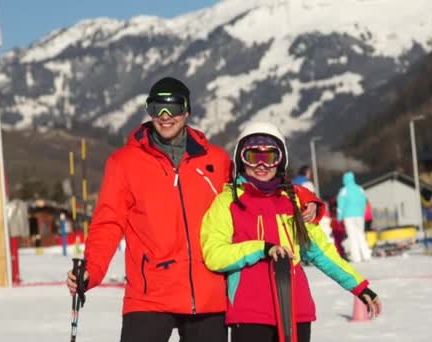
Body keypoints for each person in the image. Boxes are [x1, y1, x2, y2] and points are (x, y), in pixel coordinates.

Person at [65, 77, 322, 342]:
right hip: (149, 293)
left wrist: (306, 199)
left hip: (208, 291)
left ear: (186, 111)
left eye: (173, 108)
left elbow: (258, 185)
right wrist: (92, 270)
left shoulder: (216, 160)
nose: (165, 116)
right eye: (156, 108)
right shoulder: (124, 163)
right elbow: (108, 223)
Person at [200, 122, 381, 342]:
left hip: (296, 310)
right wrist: (262, 248)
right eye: (252, 156)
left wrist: (360, 287)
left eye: (269, 158)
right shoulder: (228, 203)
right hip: (250, 314)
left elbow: (321, 253)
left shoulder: (294, 202)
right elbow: (214, 255)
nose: (261, 165)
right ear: (240, 159)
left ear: (281, 161)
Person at [337, 172, 372, 262]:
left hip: (348, 216)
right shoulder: (360, 189)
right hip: (359, 215)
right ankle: (366, 255)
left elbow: (341, 205)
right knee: (361, 235)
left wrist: (339, 217)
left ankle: (356, 257)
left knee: (352, 236)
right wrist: (362, 213)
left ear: (345, 179)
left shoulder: (344, 190)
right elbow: (364, 202)